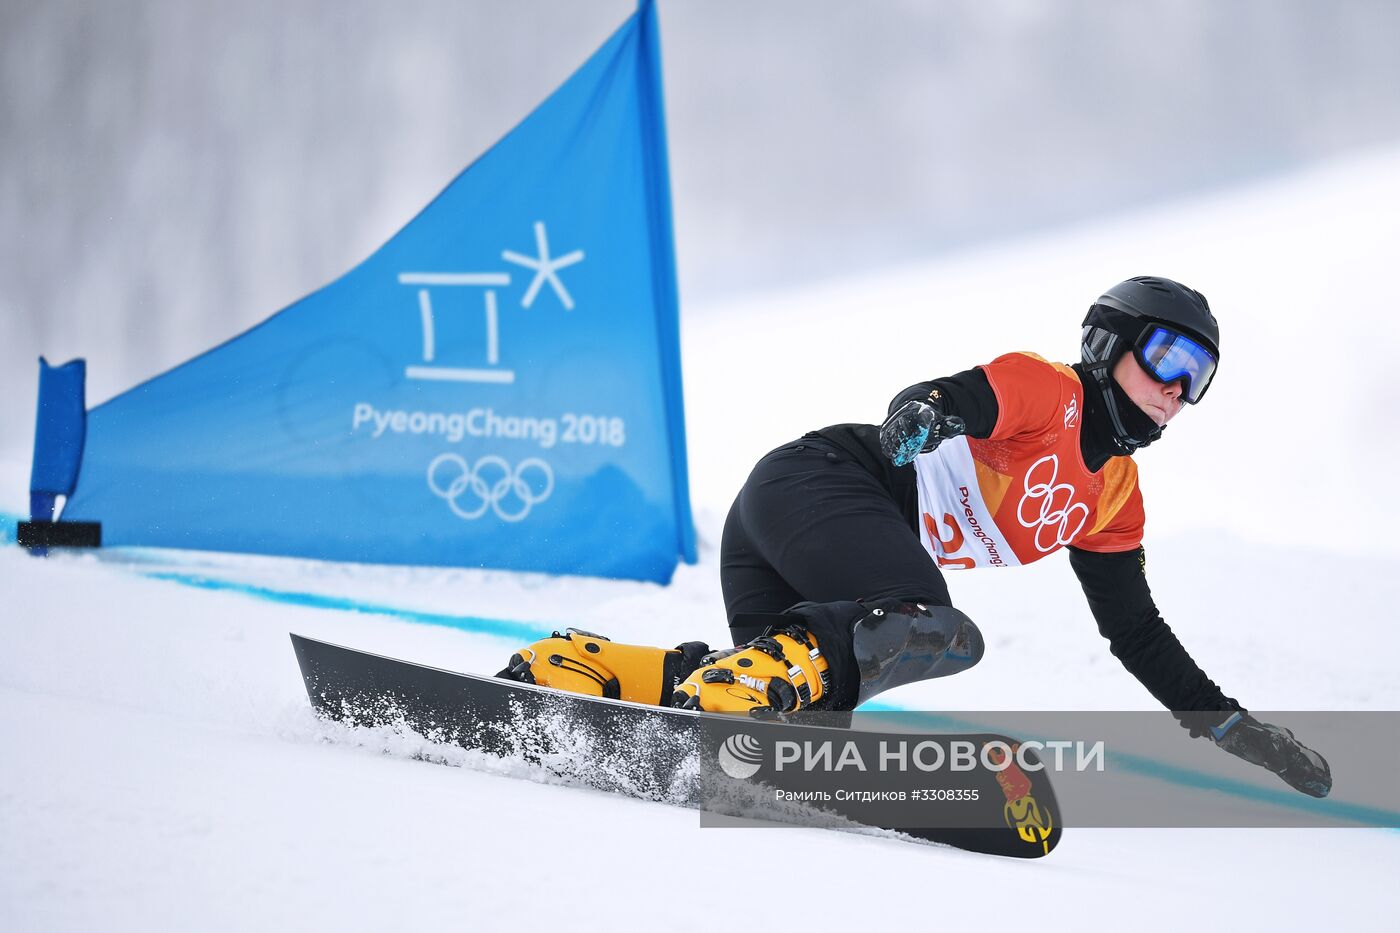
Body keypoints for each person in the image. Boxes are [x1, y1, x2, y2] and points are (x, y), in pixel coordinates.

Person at [501, 276, 1331, 798]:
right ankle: (736, 683)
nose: (1176, 391)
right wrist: (923, 416)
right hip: (817, 485)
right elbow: (953, 396)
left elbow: (1136, 632)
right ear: (1110, 344)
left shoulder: (1115, 496)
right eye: (1168, 356)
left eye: (1200, 377)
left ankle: (591, 669)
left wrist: (1227, 723)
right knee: (933, 621)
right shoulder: (1049, 391)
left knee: (797, 735)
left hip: (807, 545)